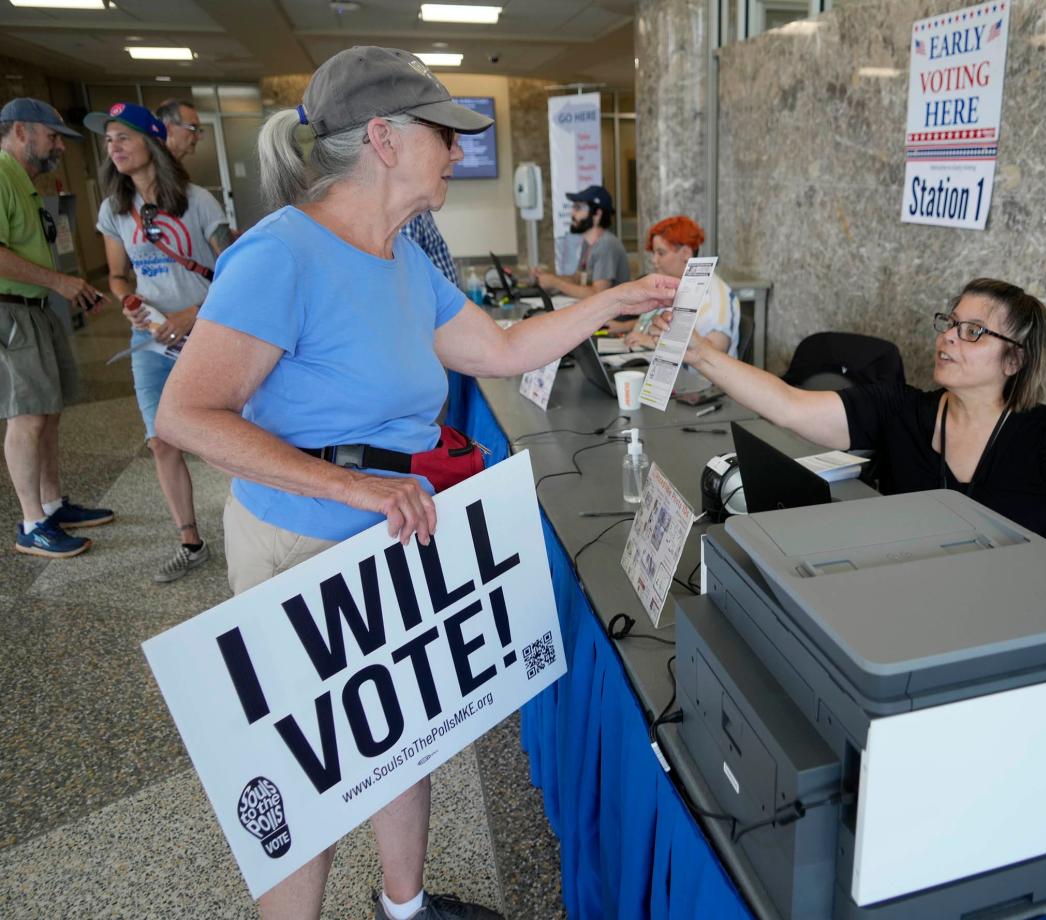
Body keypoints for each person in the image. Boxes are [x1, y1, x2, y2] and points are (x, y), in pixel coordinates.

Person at [154, 46, 677, 920]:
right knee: (311, 775)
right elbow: (188, 415)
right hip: (304, 542)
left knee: (405, 737)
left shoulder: (404, 261)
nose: (457, 150)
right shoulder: (280, 254)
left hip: (392, 532)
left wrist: (612, 301)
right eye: (445, 133)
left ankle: (406, 906)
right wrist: (345, 487)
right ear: (384, 139)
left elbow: (502, 349)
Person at [655, 278, 1046, 572]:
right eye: (950, 323)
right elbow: (789, 406)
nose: (948, 338)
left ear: (1015, 359)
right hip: (906, 596)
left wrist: (1000, 567)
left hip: (1016, 613)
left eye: (973, 332)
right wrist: (701, 354)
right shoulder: (899, 408)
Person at [89, 102, 232, 582]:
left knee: (229, 439)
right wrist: (133, 305)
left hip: (205, 336)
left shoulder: (198, 200)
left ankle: (255, 523)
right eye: (109, 141)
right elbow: (115, 276)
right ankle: (190, 542)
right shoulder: (114, 209)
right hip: (150, 342)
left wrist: (190, 315)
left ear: (151, 141)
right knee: (161, 442)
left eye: (123, 138)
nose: (114, 148)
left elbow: (235, 272)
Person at [0, 97, 114, 558]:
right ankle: (32, 524)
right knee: (26, 415)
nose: (59, 148)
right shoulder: (1, 174)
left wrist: (58, 288)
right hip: (11, 311)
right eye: (52, 137)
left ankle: (50, 504)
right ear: (21, 131)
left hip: (34, 308)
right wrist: (60, 282)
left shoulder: (21, 181)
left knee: (46, 410)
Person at [618, 214, 739, 355]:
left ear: (686, 253)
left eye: (661, 253)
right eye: (654, 253)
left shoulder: (717, 294)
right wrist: (620, 327)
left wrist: (651, 341)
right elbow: (648, 324)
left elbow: (716, 350)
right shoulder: (673, 285)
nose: (654, 260)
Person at [531, 184, 629, 299]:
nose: (572, 213)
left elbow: (598, 295)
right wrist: (548, 278)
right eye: (573, 207)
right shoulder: (588, 243)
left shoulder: (606, 245)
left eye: (578, 208)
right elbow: (578, 279)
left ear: (597, 214)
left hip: (614, 317)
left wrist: (556, 283)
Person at [401, 210, 457, 285]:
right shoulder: (410, 215)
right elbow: (407, 273)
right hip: (436, 295)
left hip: (446, 293)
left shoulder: (421, 211)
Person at [154, 98, 201, 163]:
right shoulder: (151, 168)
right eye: (192, 128)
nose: (198, 137)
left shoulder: (174, 167)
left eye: (198, 129)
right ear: (168, 129)